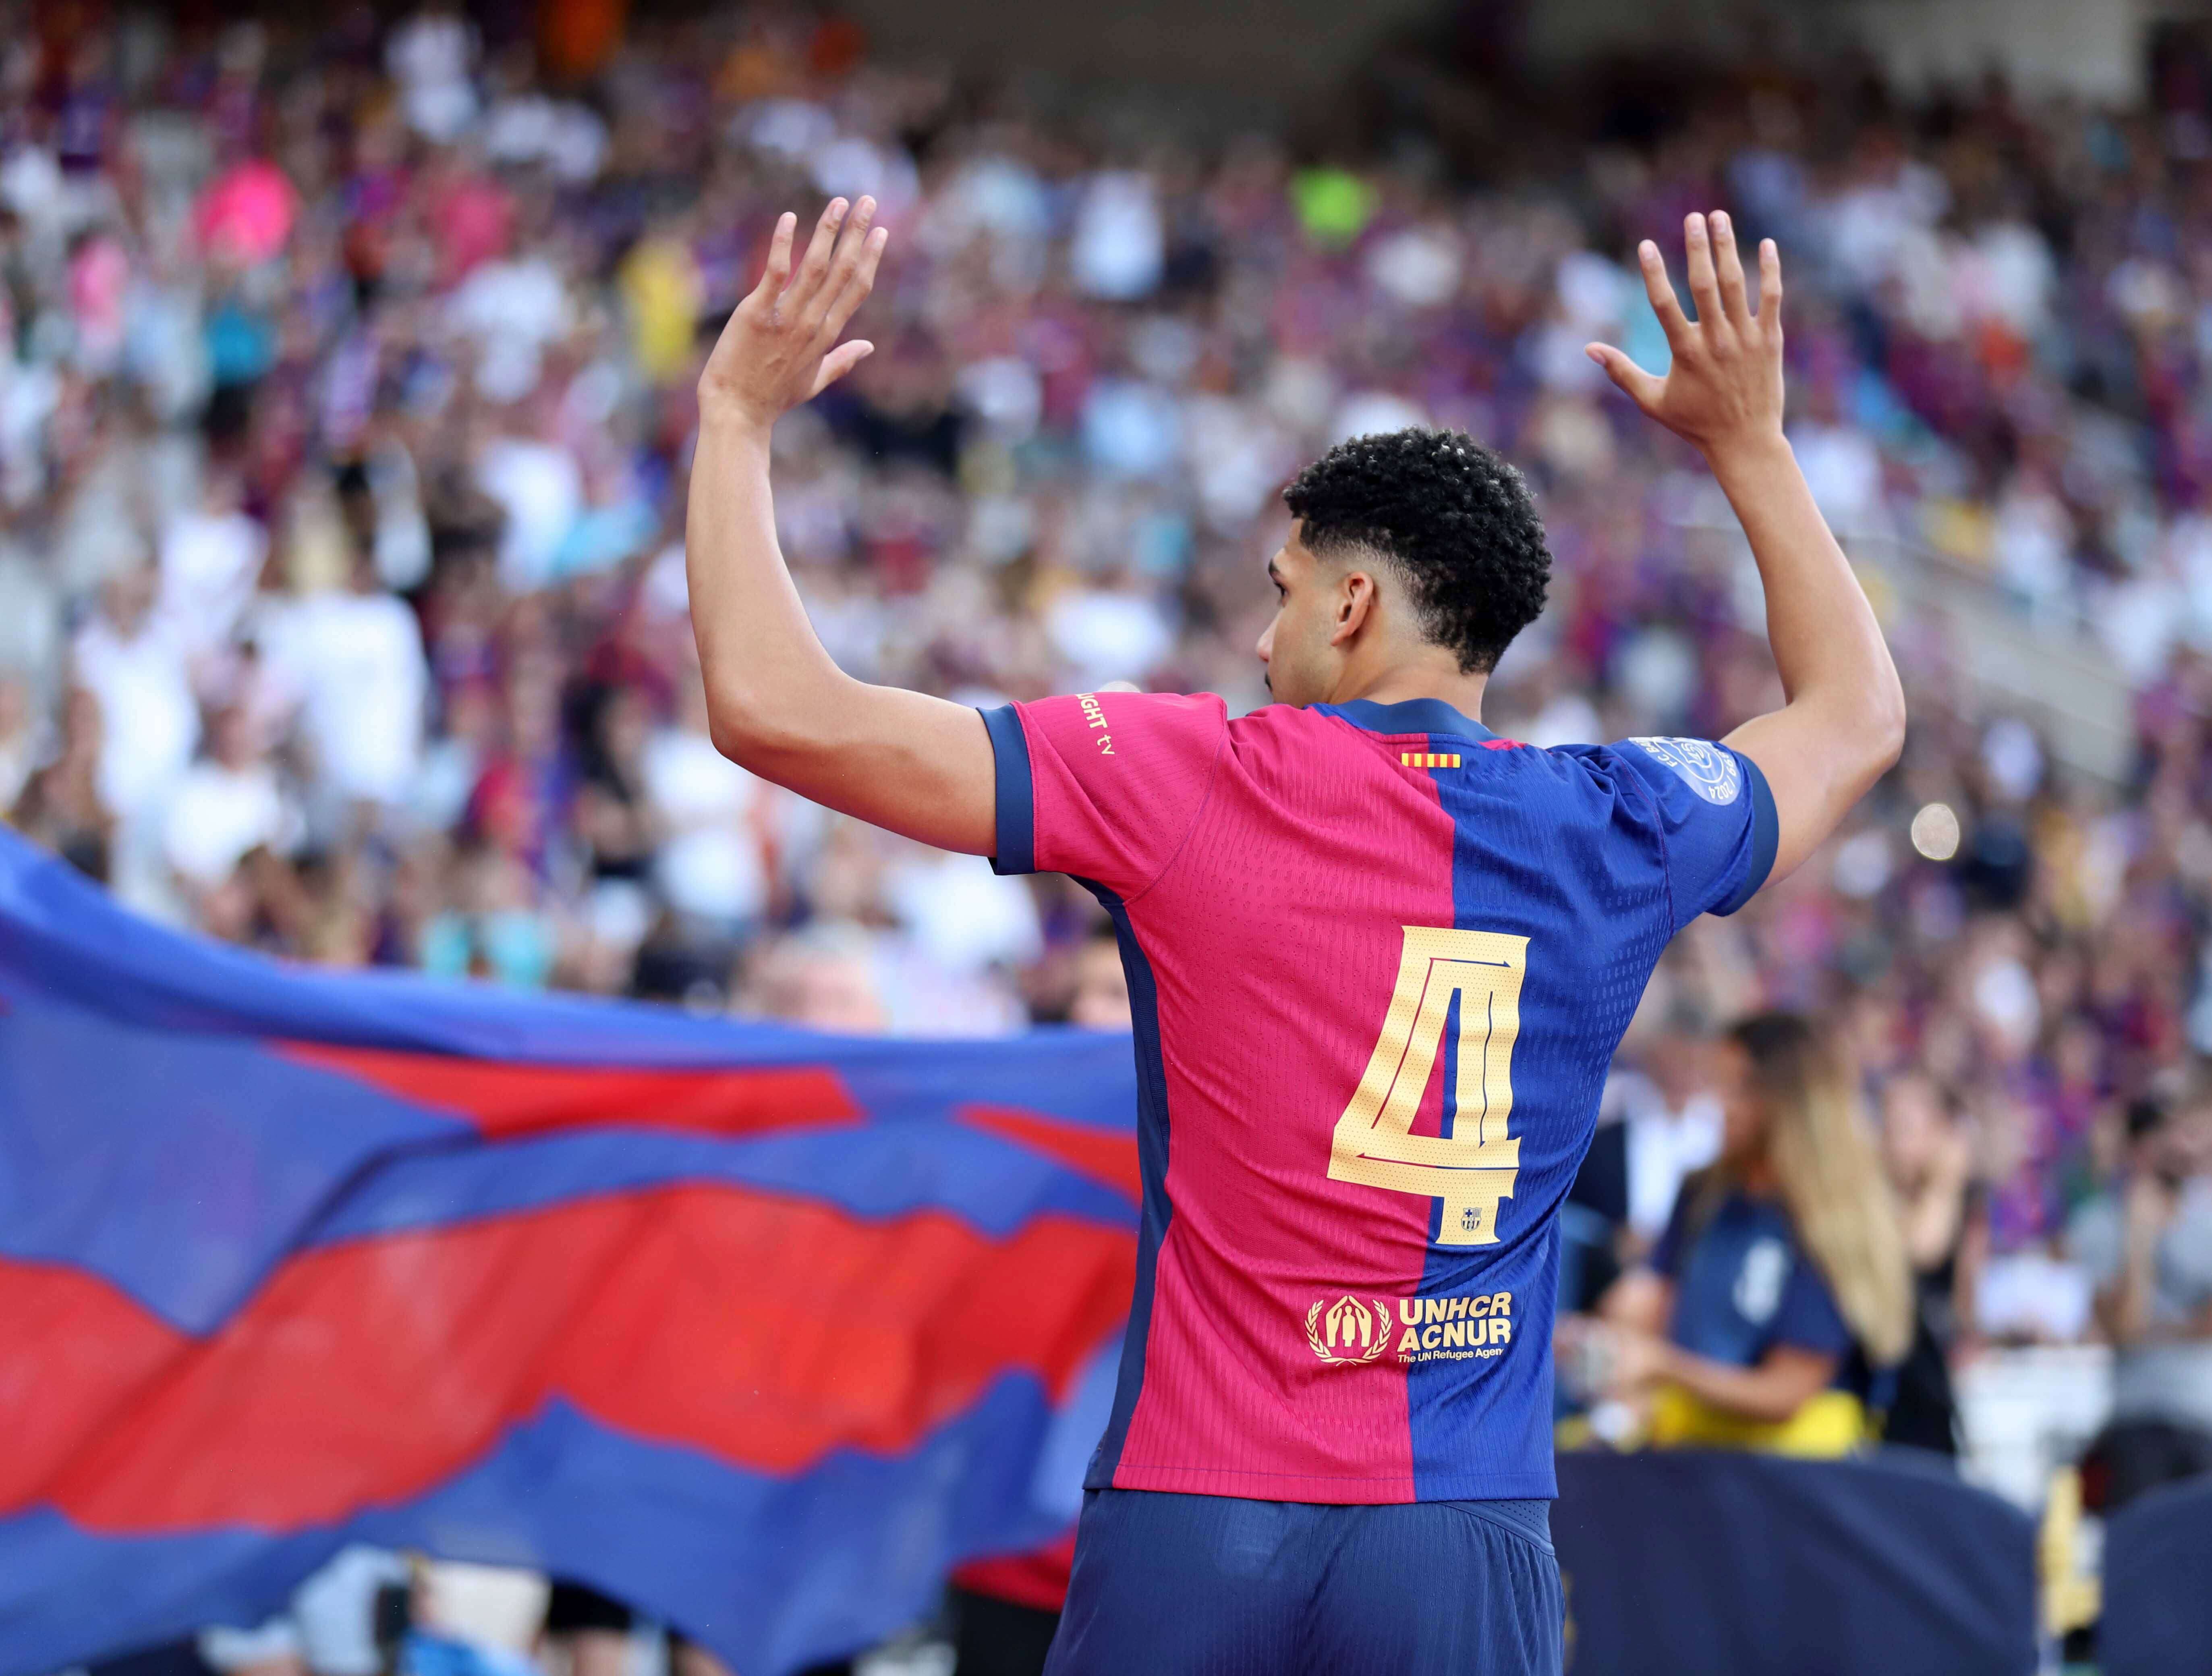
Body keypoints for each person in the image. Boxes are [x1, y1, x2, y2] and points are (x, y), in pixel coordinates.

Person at [684, 197, 1903, 1674]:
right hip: (1467, 1528)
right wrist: (1751, 448)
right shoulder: (1619, 823)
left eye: (1279, 598)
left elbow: (770, 706)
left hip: (1205, 1505)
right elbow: (1855, 718)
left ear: (1351, 599)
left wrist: (740, 412)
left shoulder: (1189, 777)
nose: (1261, 644)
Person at [1577, 1014, 1915, 1455]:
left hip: (1797, 1469)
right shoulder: (1704, 1192)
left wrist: (1663, 1366)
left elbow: (1787, 1393)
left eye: (1734, 1086)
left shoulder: (1833, 1224)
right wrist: (1595, 1334)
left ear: (1785, 1099)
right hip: (1691, 1443)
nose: (1717, 1102)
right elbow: (1646, 1298)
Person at [2067, 1093, 2212, 1511]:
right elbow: (2124, 1326)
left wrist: (2154, 1333)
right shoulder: (2099, 1223)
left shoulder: (2206, 1218)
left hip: (2203, 1417)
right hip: (2135, 1418)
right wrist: (2138, 1237)